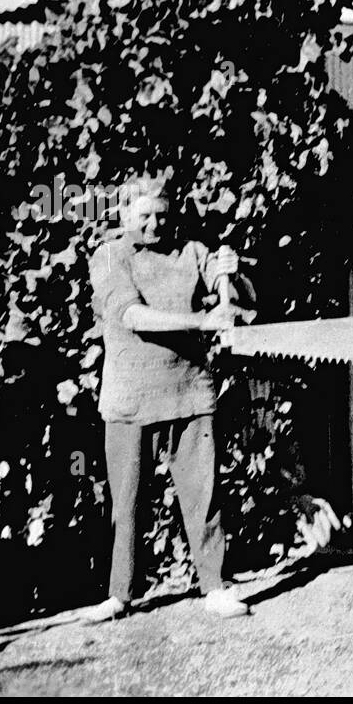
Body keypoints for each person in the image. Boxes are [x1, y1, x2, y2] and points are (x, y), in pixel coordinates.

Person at [83, 176, 254, 622]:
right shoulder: (109, 255)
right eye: (144, 216)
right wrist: (201, 321)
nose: (155, 224)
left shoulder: (192, 252)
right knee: (127, 501)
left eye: (162, 214)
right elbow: (131, 315)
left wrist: (229, 275)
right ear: (124, 216)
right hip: (129, 396)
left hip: (189, 390)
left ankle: (215, 586)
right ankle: (119, 594)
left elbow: (240, 303)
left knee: (204, 497)